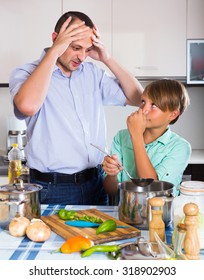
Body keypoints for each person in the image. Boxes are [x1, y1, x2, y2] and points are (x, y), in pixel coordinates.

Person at [9, 11, 143, 205]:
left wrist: (107, 58)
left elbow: (138, 97)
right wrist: (54, 51)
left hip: (96, 183)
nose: (82, 57)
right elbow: (27, 106)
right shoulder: (26, 73)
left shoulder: (92, 73)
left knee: (96, 237)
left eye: (87, 49)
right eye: (75, 47)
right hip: (53, 188)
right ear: (56, 39)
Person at [102, 79, 191, 197]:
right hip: (124, 212)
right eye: (143, 102)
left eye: (153, 105)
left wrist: (136, 136)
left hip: (159, 213)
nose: (143, 110)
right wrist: (111, 174)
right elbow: (111, 191)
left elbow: (153, 190)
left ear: (173, 114)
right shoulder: (122, 137)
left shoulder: (180, 147)